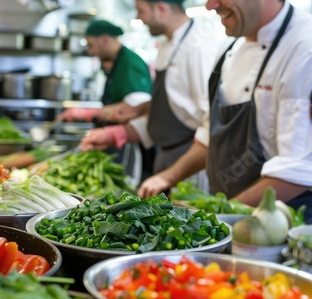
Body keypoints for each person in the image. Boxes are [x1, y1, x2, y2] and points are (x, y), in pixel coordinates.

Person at [138, 0, 312, 223]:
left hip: (286, 224)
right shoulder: (230, 47)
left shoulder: (309, 48)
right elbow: (209, 133)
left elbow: (298, 171)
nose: (210, 6)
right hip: (233, 215)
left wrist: (220, 217)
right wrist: (167, 176)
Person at [79, 0, 230, 190]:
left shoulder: (199, 48)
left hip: (190, 162)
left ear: (160, 9)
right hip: (165, 155)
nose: (138, 17)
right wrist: (119, 132)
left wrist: (170, 176)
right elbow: (171, 110)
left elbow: (210, 121)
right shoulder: (166, 45)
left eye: (140, 10)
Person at [57, 19, 152, 125]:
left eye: (91, 45)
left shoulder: (130, 63)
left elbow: (135, 107)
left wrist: (87, 113)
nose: (90, 52)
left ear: (105, 39)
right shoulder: (117, 61)